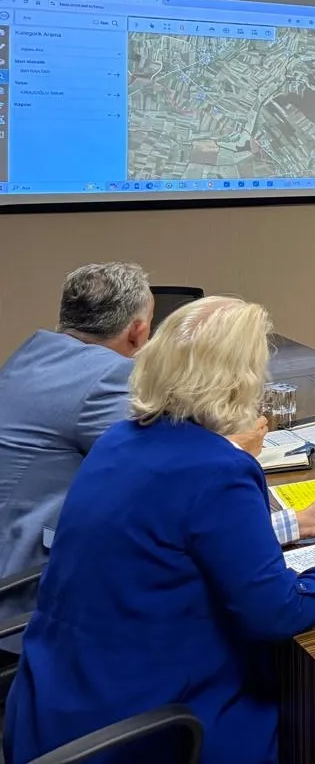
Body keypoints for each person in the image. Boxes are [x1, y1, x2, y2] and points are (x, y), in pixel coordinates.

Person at [3, 297, 315, 764]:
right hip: (150, 727)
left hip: (54, 709)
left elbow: (167, 541)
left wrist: (294, 523)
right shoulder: (219, 468)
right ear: (240, 381)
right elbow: (277, 612)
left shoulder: (121, 439)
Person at [0, 262, 154, 651]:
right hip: (27, 595)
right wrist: (235, 446)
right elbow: (158, 470)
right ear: (137, 332)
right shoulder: (107, 375)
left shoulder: (33, 352)